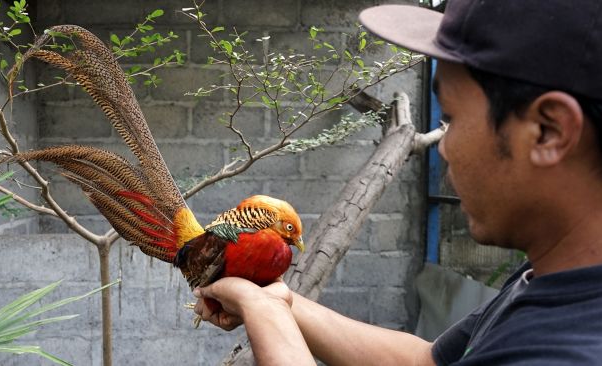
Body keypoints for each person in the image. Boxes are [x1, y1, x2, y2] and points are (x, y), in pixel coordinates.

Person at [193, 0, 602, 364]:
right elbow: (425, 360)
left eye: (453, 119)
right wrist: (278, 303)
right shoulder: (549, 278)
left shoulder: (570, 349)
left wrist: (261, 312)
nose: (444, 147)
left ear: (548, 131)